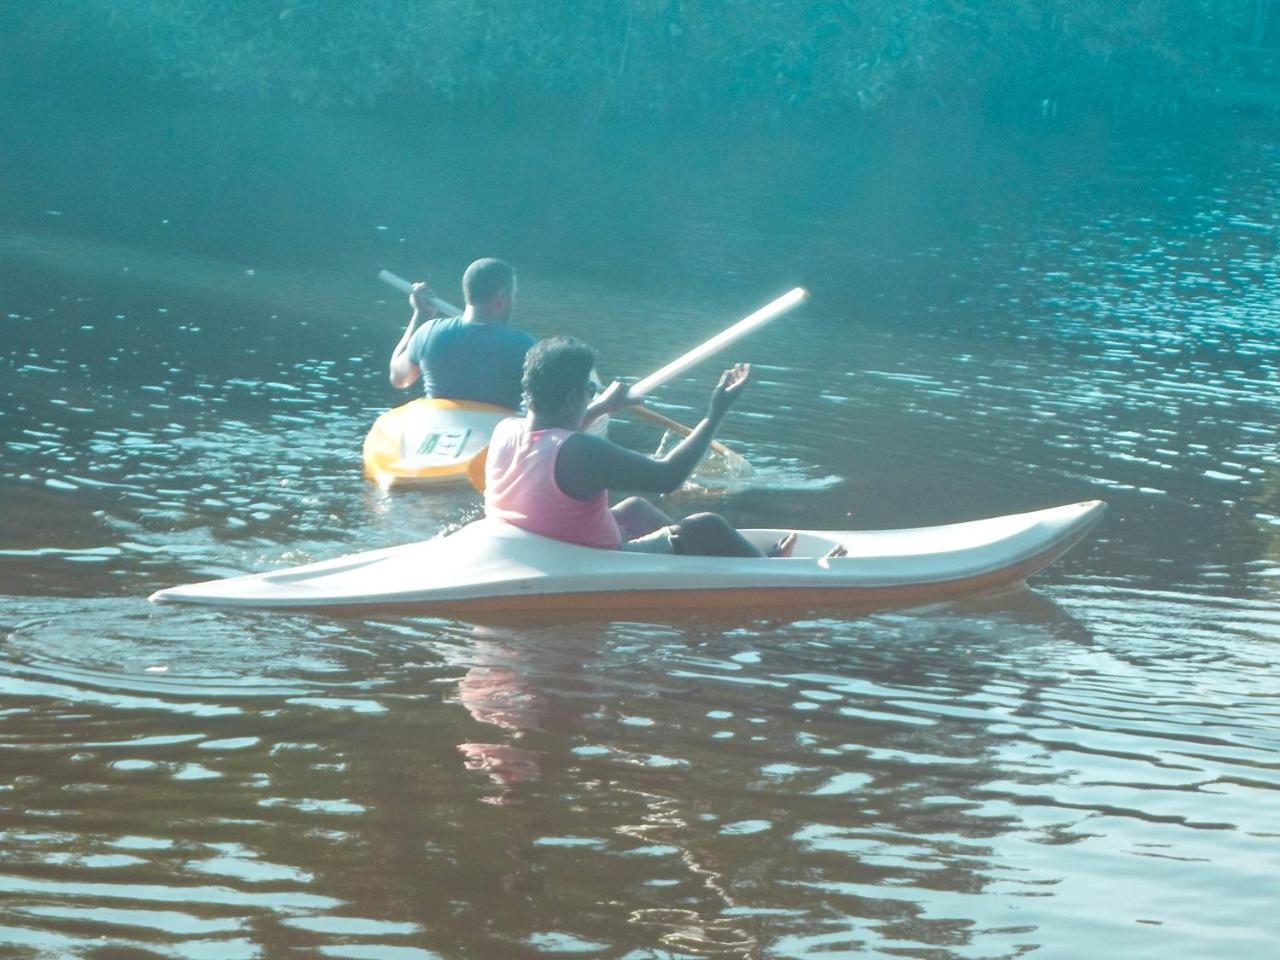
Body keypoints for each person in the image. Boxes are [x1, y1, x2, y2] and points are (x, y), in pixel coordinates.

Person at [485, 336, 834, 558]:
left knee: (636, 508)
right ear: (574, 396)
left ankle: (694, 561)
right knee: (705, 526)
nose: (591, 398)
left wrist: (601, 406)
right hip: (597, 559)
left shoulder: (506, 430)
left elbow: (552, 435)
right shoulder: (579, 450)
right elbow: (669, 476)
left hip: (544, 544)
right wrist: (715, 414)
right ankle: (767, 570)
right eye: (589, 392)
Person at [388, 257, 536, 411]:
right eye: (512, 295)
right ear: (502, 297)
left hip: (440, 427)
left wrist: (421, 315)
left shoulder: (429, 333)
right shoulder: (524, 345)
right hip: (494, 430)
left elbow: (398, 378)